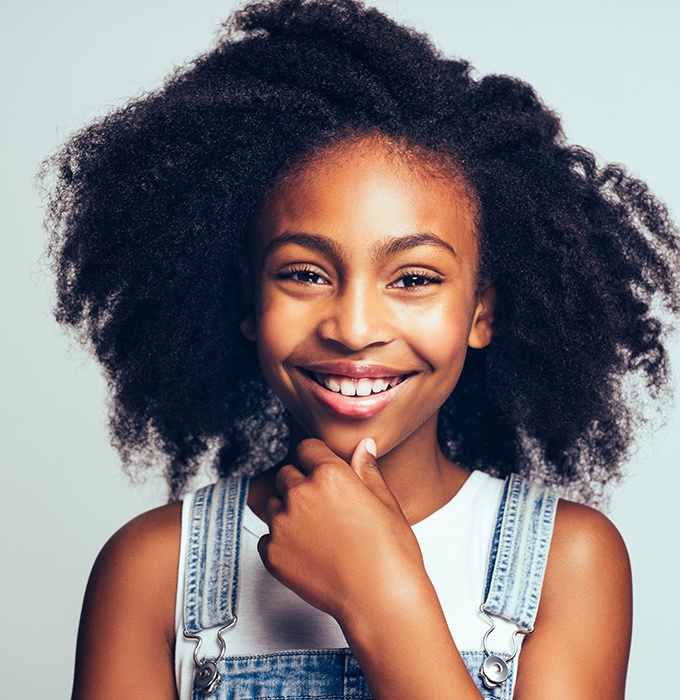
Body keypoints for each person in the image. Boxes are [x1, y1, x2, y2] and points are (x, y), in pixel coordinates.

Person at [42, 0, 679, 698]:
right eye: (305, 274)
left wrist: (382, 599)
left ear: (482, 310)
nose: (352, 326)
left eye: (413, 279)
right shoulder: (153, 570)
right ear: (250, 301)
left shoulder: (568, 561)